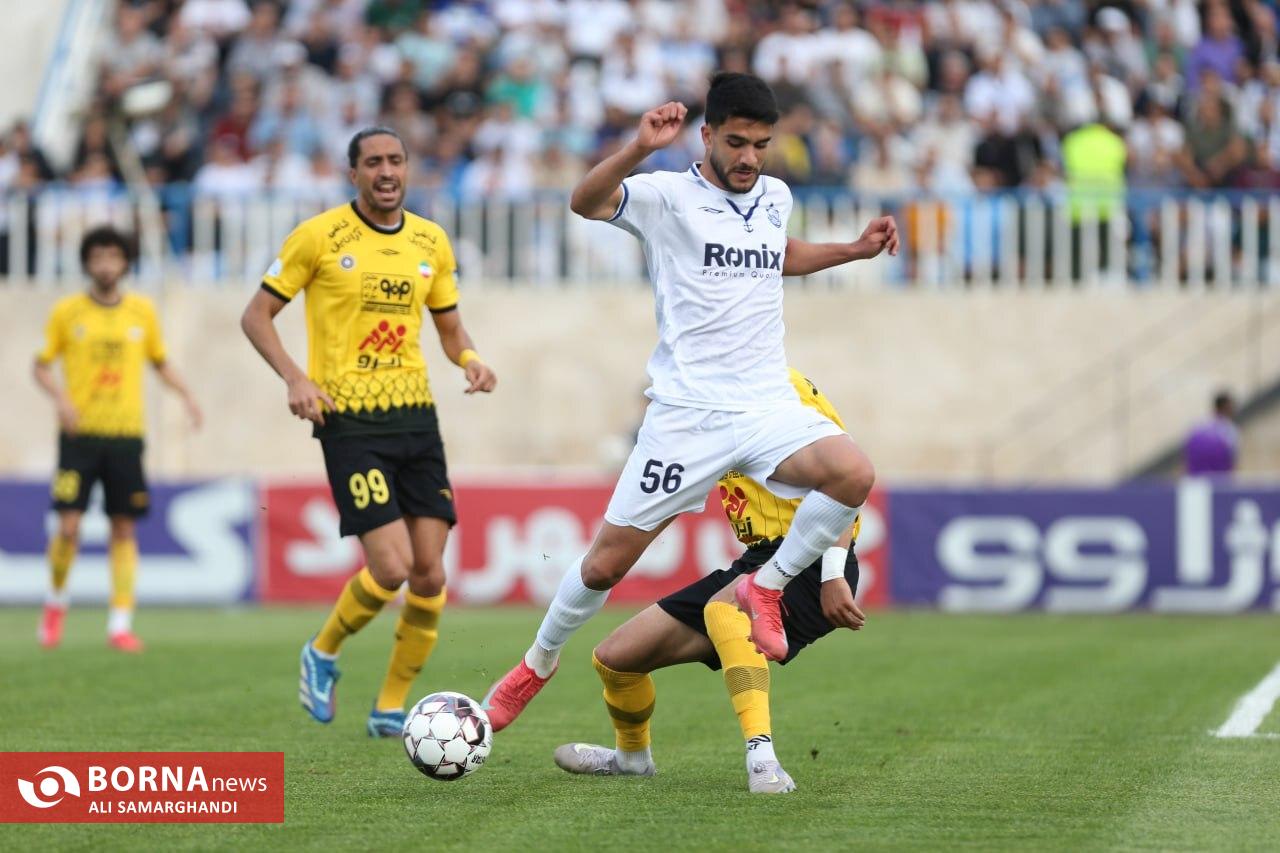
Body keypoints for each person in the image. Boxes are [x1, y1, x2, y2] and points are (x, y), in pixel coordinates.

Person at [483, 72, 896, 731]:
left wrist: (853, 249)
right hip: (688, 416)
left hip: (765, 405)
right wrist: (638, 148)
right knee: (605, 565)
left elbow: (776, 254)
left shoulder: (776, 196)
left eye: (760, 145)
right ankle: (535, 665)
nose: (749, 158)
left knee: (853, 473)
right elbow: (585, 201)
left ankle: (766, 585)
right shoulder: (666, 196)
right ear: (707, 135)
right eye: (736, 143)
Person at [240, 126, 496, 737]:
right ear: (352, 173)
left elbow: (450, 329)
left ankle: (390, 706)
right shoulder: (319, 236)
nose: (386, 171)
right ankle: (322, 650)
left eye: (396, 160)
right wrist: (296, 378)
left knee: (430, 574)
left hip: (416, 419)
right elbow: (256, 316)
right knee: (392, 567)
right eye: (374, 162)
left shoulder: (430, 240)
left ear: (408, 169)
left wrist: (470, 359)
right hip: (349, 421)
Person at [552, 368, 865, 794]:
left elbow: (845, 484)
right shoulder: (705, 402)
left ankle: (764, 762)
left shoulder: (782, 387)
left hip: (809, 559)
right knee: (616, 659)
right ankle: (632, 760)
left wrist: (833, 573)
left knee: (725, 609)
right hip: (756, 559)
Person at [33, 226, 202, 652]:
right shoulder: (67, 312)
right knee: (68, 526)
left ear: (126, 263)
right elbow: (41, 365)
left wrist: (187, 395)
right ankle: (55, 603)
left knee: (123, 528)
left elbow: (160, 361)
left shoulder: (142, 312)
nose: (106, 265)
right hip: (79, 437)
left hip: (126, 437)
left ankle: (120, 623)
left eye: (113, 257)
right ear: (87, 263)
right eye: (97, 257)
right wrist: (61, 399)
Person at [1184, 391, 1238, 476]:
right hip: (1219, 479)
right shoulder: (1230, 430)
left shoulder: (1198, 424)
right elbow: (1232, 460)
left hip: (1196, 479)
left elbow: (1187, 456)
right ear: (1226, 407)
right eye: (1231, 407)